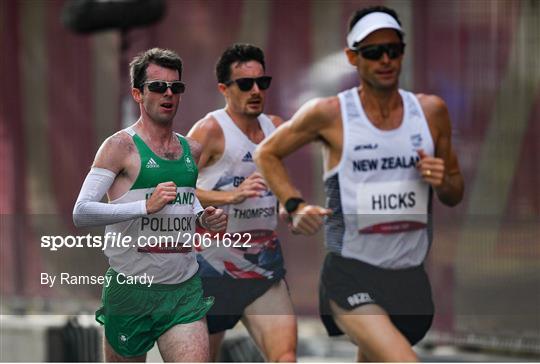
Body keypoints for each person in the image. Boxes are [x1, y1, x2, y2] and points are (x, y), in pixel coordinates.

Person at [255, 6, 464, 362]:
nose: (385, 60)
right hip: (350, 275)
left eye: (393, 50)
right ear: (353, 57)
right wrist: (294, 204)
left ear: (402, 52)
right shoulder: (330, 113)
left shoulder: (430, 112)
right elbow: (267, 153)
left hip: (410, 280)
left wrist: (442, 180)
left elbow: (454, 191)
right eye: (372, 52)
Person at [73, 48, 227, 362]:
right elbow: (82, 211)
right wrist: (144, 207)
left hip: (183, 291)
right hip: (131, 291)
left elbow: (183, 198)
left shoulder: (192, 149)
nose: (168, 94)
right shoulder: (119, 146)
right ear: (138, 94)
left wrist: (204, 217)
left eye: (176, 87)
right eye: (158, 87)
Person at [187, 43, 297, 362]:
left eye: (262, 83)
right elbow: (177, 191)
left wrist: (288, 206)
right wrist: (229, 197)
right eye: (245, 84)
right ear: (224, 89)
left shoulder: (275, 128)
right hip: (210, 266)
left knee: (286, 357)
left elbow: (277, 182)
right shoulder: (209, 130)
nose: (255, 91)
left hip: (261, 264)